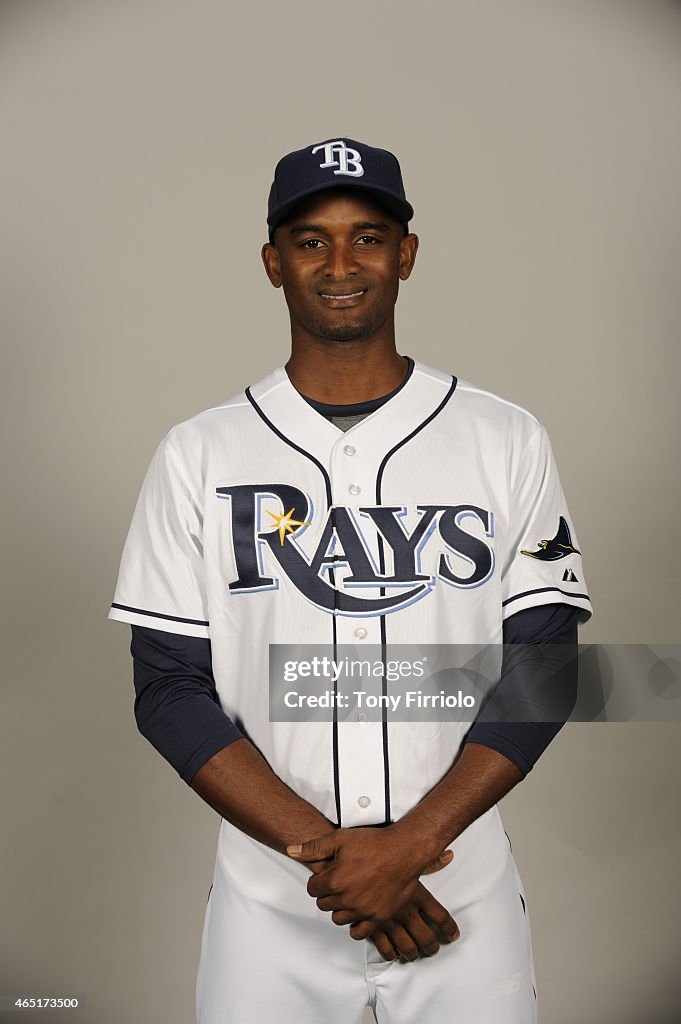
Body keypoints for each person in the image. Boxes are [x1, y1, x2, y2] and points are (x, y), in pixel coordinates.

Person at [109, 137, 592, 1023]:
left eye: (367, 237)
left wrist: (410, 845)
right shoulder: (200, 453)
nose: (340, 263)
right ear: (272, 263)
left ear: (405, 255)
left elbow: (545, 665)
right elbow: (166, 687)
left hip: (460, 887)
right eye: (310, 240)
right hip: (272, 898)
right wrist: (336, 856)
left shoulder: (502, 438)